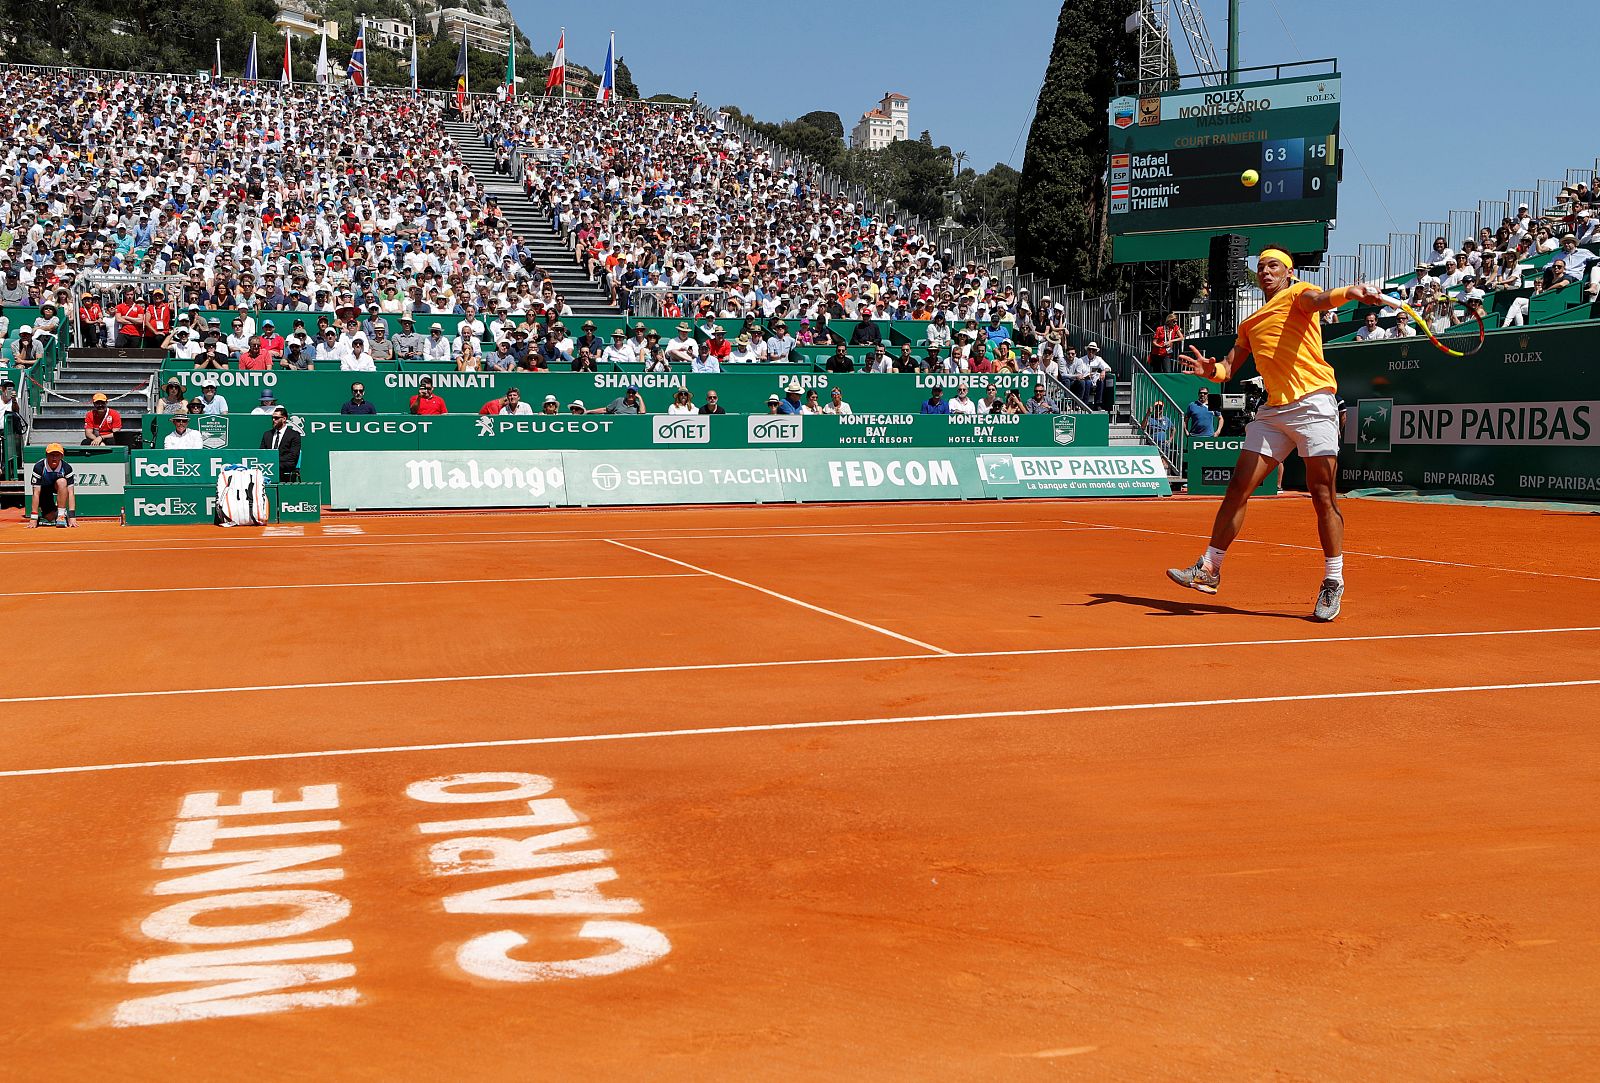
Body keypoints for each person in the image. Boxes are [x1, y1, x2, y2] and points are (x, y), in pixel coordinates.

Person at [1167, 246, 1384, 621]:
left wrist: (1350, 293)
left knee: (1321, 494)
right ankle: (1210, 569)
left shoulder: (1300, 294)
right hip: (1273, 412)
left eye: (1274, 266)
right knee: (1238, 488)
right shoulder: (1250, 323)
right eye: (1261, 267)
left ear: (1288, 271)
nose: (1266, 272)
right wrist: (1208, 371)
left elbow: (1320, 299)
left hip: (1314, 404)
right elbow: (1228, 368)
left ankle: (1334, 580)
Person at [30, 443, 76, 527]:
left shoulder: (67, 468)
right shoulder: (39, 467)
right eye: (51, 455)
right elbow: (36, 493)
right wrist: (33, 517)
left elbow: (71, 493)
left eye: (57, 455)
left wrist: (72, 516)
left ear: (61, 456)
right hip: (44, 490)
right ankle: (58, 512)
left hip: (59, 487)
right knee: (49, 517)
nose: (54, 458)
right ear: (46, 455)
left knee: (62, 481)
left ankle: (61, 515)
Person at [260, 407, 302, 482]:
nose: (273, 420)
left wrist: (274, 462)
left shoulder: (294, 435)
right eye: (272, 418)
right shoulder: (267, 435)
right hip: (268, 466)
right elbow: (262, 452)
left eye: (276, 418)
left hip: (285, 466)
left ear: (284, 419)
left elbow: (293, 456)